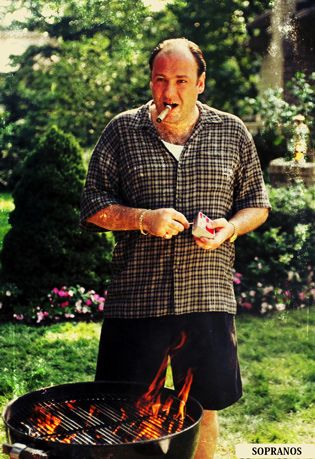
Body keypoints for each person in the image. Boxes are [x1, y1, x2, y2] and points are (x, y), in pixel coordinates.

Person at [80, 38, 271, 459]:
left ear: (201, 83)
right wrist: (142, 220)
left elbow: (257, 203)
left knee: (203, 409)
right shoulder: (122, 131)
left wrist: (231, 228)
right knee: (125, 412)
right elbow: (93, 205)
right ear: (150, 80)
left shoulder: (231, 131)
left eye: (182, 81)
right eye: (160, 80)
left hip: (207, 297)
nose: (169, 92)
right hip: (136, 300)